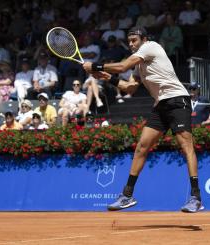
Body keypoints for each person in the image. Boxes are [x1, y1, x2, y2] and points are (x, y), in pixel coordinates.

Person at [83, 26, 203, 213]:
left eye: (134, 41)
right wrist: (107, 78)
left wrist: (95, 66)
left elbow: (122, 66)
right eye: (129, 41)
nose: (131, 44)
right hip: (160, 105)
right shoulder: (140, 63)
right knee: (142, 146)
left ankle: (196, 197)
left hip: (177, 100)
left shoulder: (150, 47)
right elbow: (130, 87)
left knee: (186, 146)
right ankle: (127, 195)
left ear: (144, 40)